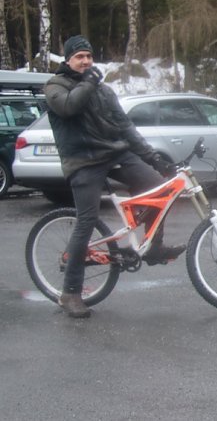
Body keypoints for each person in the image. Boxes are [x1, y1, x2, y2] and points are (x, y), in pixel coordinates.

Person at [45, 35, 184, 318]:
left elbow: (125, 128)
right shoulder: (55, 86)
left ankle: (153, 247)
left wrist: (155, 160)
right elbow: (69, 107)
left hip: (115, 154)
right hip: (83, 161)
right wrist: (87, 82)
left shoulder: (103, 90)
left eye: (89, 57)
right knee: (86, 220)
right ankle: (70, 293)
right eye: (79, 57)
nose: (85, 61)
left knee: (160, 190)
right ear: (68, 60)